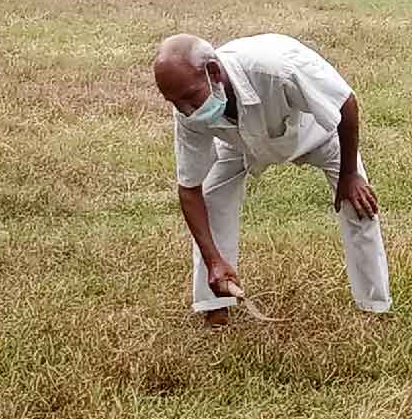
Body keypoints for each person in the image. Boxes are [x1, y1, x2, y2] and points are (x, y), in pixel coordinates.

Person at [152, 32, 391, 323]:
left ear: (213, 72)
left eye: (190, 98)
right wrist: (212, 258)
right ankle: (215, 304)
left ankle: (374, 306)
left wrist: (350, 174)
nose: (186, 110)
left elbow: (345, 102)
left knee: (358, 202)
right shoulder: (188, 108)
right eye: (175, 102)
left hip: (315, 133)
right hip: (239, 143)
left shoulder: (276, 68)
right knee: (211, 197)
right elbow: (190, 190)